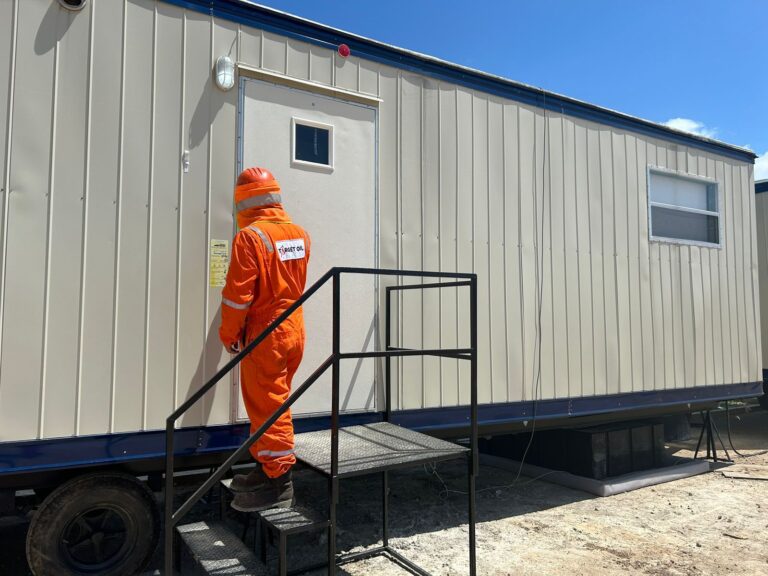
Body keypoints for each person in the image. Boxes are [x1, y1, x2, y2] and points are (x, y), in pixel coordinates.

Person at [219, 167, 311, 512]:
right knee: (276, 399)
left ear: (243, 202)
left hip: (265, 333)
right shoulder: (300, 234)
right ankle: (266, 467)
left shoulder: (251, 238)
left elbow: (237, 297)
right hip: (294, 329)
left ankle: (278, 480)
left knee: (267, 404)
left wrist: (229, 335)